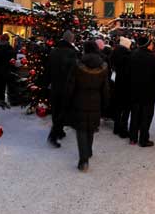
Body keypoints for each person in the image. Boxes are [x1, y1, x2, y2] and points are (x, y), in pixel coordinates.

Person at [65, 41, 109, 172]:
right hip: (96, 100)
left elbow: (70, 84)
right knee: (91, 127)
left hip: (80, 100)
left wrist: (68, 99)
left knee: (81, 129)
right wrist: (106, 103)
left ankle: (84, 160)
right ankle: (88, 151)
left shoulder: (78, 65)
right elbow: (105, 88)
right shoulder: (103, 66)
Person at [128, 35, 155, 147]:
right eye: (151, 44)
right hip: (148, 91)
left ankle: (133, 138)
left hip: (134, 90)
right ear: (148, 45)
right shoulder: (152, 57)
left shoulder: (132, 55)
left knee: (135, 114)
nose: (152, 46)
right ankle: (143, 139)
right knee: (146, 116)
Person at [47, 30, 78, 148]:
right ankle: (53, 135)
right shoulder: (72, 52)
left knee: (56, 110)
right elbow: (74, 71)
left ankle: (59, 131)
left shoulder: (54, 51)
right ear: (70, 40)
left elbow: (48, 69)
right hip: (66, 86)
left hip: (55, 85)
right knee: (63, 110)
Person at [110, 36, 133, 138]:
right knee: (126, 109)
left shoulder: (115, 53)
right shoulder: (128, 56)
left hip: (119, 83)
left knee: (118, 108)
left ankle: (116, 128)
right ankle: (123, 130)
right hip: (127, 85)